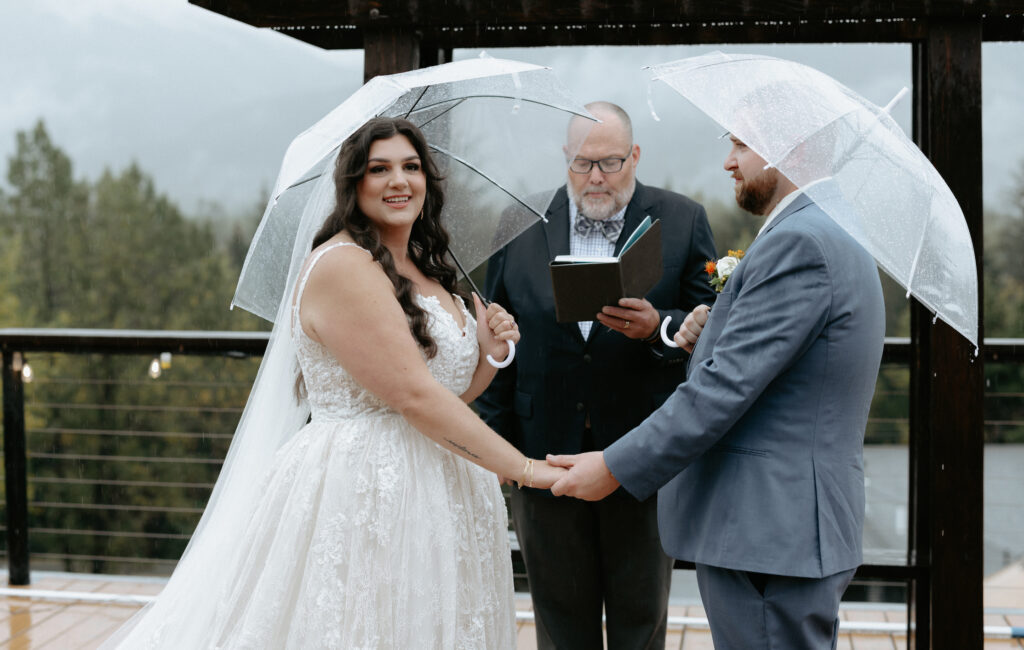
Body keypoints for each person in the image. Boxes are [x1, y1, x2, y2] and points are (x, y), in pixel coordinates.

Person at [105, 117, 566, 649]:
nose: (400, 181)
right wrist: (525, 470)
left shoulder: (427, 267)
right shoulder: (344, 266)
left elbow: (449, 399)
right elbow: (414, 398)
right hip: (366, 487)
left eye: (411, 167)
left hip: (444, 483)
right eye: (379, 169)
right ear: (353, 183)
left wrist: (488, 353)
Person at [549, 133, 886, 650]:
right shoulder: (831, 227)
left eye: (743, 145)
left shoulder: (801, 242)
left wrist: (613, 466)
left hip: (770, 531)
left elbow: (721, 390)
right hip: (785, 529)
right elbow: (784, 369)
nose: (729, 162)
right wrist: (710, 333)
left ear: (789, 147)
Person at [476, 101, 717, 649]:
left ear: (635, 155)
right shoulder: (518, 222)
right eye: (582, 164)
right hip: (543, 456)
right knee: (559, 627)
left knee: (641, 622)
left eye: (609, 163)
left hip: (642, 455)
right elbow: (497, 340)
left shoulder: (682, 218)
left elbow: (710, 328)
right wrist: (496, 450)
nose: (596, 177)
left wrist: (659, 327)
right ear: (565, 158)